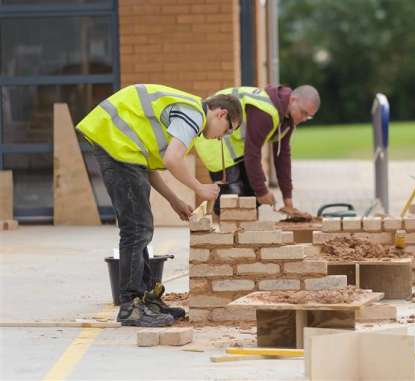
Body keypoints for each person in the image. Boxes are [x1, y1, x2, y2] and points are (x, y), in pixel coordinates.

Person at [76, 84, 242, 326]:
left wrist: (174, 200)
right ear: (221, 114)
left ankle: (145, 300)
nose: (222, 137)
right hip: (115, 143)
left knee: (140, 225)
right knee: (137, 227)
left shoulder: (187, 117)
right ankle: (131, 305)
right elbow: (172, 159)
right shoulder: (194, 114)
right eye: (227, 131)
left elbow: (150, 169)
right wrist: (200, 189)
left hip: (122, 148)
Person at [194, 85, 320, 218]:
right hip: (213, 136)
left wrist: (288, 200)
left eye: (309, 117)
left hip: (236, 144)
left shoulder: (287, 121)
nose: (305, 119)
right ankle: (224, 234)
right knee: (231, 198)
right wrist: (262, 191)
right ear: (293, 100)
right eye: (304, 112)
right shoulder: (266, 112)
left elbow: (282, 158)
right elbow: (252, 152)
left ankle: (246, 234)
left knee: (253, 196)